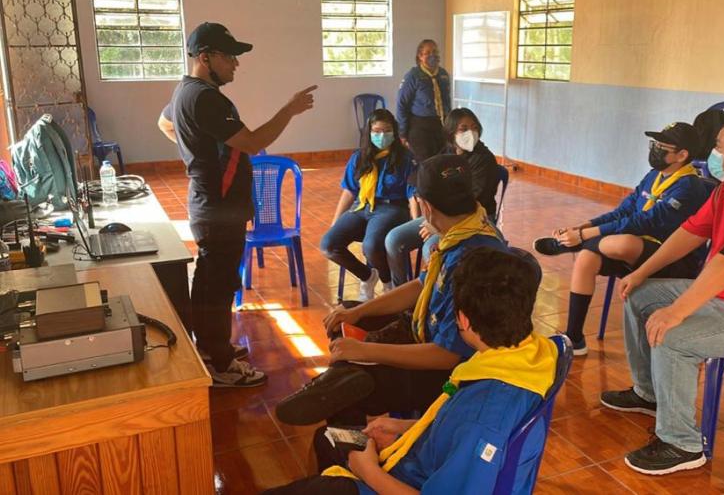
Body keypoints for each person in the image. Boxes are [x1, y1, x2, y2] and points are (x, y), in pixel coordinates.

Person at [263, 247, 556, 495]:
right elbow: (457, 427)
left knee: (332, 451)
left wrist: (368, 471)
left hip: (400, 480)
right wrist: (411, 428)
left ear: (463, 320)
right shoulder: (532, 355)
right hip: (421, 457)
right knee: (329, 439)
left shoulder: (482, 416)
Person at [601, 116, 724, 475]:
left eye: (719, 148)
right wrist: (640, 272)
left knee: (672, 335)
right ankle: (649, 394)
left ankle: (681, 444)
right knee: (641, 296)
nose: (712, 156)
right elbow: (690, 232)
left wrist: (677, 311)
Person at [275, 155, 509, 427]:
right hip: (424, 332)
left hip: (450, 376)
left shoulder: (473, 261)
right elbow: (422, 286)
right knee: (350, 314)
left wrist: (367, 351)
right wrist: (360, 311)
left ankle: (350, 444)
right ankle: (339, 381)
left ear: (426, 207)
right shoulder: (463, 232)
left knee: (354, 380)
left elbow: (447, 355)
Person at [157, 22, 316, 387]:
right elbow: (254, 141)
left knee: (214, 281)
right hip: (218, 208)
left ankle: (214, 349)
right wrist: (289, 110)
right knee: (217, 285)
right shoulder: (206, 98)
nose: (235, 64)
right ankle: (220, 365)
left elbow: (163, 124)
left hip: (211, 205)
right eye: (229, 56)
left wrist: (194, 151)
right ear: (205, 57)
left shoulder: (185, 92)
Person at [532, 122, 711, 355]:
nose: (654, 149)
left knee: (619, 241)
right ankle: (574, 339)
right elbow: (624, 211)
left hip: (670, 260)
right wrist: (585, 225)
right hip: (636, 251)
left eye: (661, 146)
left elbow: (645, 221)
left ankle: (570, 245)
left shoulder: (689, 186)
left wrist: (583, 235)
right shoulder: (654, 176)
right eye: (654, 144)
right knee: (587, 257)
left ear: (682, 154)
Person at [385, 107, 501, 287]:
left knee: (430, 248)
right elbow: (423, 179)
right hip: (439, 215)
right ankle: (399, 295)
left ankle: (438, 298)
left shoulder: (484, 159)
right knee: (394, 239)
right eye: (463, 129)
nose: (470, 133)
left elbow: (473, 202)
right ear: (451, 133)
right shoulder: (446, 153)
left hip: (474, 220)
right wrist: (426, 212)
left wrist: (439, 225)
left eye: (474, 127)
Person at [320, 109, 417, 301]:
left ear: (395, 132)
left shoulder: (405, 158)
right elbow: (349, 191)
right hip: (361, 207)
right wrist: (335, 221)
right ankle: (367, 276)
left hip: (392, 208)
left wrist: (415, 224)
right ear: (369, 133)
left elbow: (413, 195)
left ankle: (387, 283)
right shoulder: (360, 157)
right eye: (377, 131)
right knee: (329, 244)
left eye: (387, 131)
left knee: (371, 245)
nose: (382, 136)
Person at [396, 39, 451, 162]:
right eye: (428, 52)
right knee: (425, 163)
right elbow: (402, 104)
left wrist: (450, 125)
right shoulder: (413, 75)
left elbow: (447, 102)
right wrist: (402, 133)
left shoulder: (443, 74)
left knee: (441, 161)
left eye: (435, 51)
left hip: (440, 125)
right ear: (420, 56)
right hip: (420, 127)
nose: (433, 55)